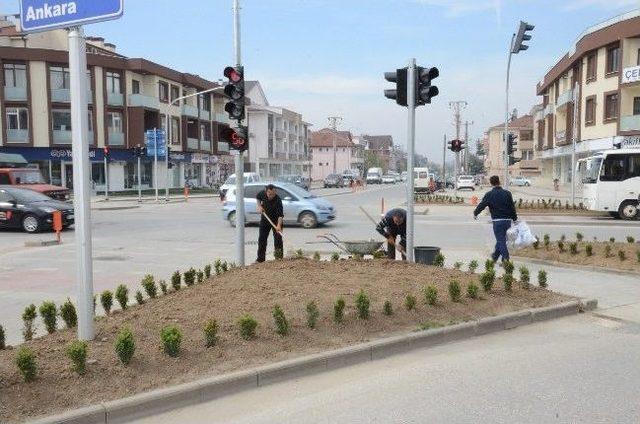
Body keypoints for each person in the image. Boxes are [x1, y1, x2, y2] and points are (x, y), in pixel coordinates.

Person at [473, 175, 518, 263]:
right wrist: (515, 219)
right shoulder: (507, 193)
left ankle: (505, 259)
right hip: (507, 221)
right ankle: (495, 256)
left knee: (501, 240)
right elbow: (512, 207)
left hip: (497, 221)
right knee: (502, 239)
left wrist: (475, 213)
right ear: (499, 182)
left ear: (491, 183)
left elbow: (482, 204)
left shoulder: (489, 194)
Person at [256, 184, 284, 263]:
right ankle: (260, 259)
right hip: (265, 220)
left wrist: (278, 226)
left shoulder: (278, 200)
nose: (270, 195)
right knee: (262, 239)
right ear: (266, 191)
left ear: (275, 192)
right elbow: (258, 198)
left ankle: (278, 258)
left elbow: (280, 216)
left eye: (272, 194)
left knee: (278, 240)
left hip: (276, 221)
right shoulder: (262, 194)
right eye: (269, 193)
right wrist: (259, 206)